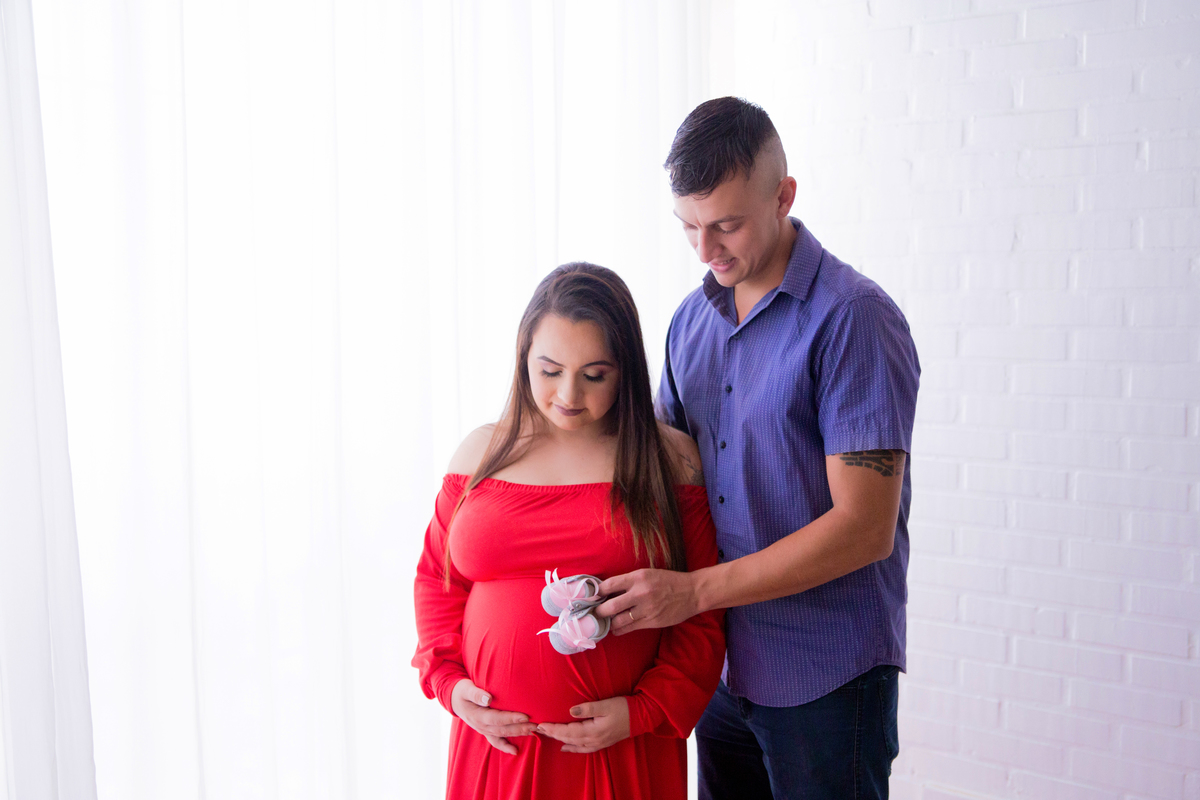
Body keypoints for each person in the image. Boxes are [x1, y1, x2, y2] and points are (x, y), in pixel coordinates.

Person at [594, 97, 921, 799]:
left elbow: (864, 529)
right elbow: (664, 474)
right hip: (719, 668)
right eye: (689, 228)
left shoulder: (854, 320)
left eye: (728, 226)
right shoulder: (691, 322)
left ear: (784, 195)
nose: (708, 252)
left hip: (826, 676)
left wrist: (691, 593)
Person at [412, 263, 726, 800]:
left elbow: (701, 611)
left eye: (594, 374)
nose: (568, 394)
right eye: (550, 370)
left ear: (624, 368)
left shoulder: (667, 458)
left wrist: (641, 712)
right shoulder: (480, 453)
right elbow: (437, 582)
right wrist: (450, 686)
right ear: (523, 358)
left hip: (621, 748)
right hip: (496, 747)